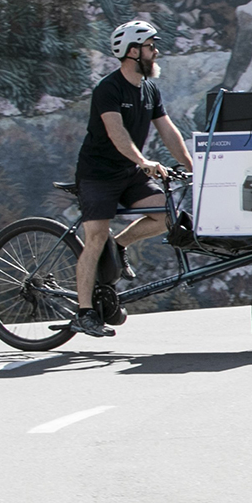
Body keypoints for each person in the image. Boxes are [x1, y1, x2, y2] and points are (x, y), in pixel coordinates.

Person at [67, 20, 195, 337]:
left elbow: (168, 131)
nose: (156, 52)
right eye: (151, 47)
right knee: (96, 236)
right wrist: (143, 161)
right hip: (98, 174)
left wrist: (192, 166)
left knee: (167, 215)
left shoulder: (149, 89)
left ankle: (120, 244)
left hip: (129, 173)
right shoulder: (108, 89)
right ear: (133, 52)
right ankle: (83, 313)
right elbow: (116, 132)